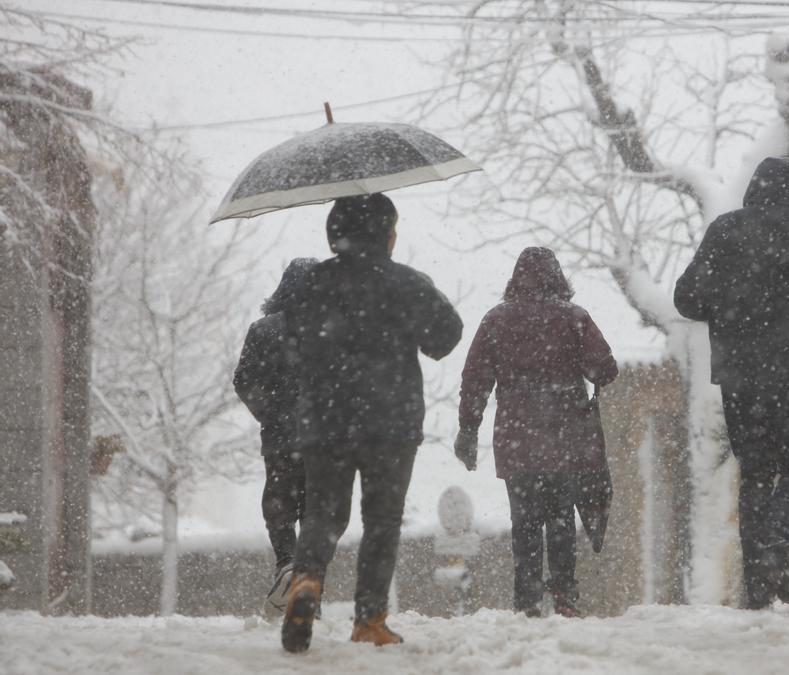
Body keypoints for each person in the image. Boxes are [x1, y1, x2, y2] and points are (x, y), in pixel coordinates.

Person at [275, 194, 463, 653]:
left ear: (334, 233)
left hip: (326, 421)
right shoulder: (405, 283)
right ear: (388, 234)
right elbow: (446, 335)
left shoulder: (312, 283)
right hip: (390, 422)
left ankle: (306, 580)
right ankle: (369, 618)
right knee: (382, 520)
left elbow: (290, 343)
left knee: (323, 513)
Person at [674, 156, 789, 609]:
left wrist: (730, 312)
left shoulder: (725, 232)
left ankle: (758, 581)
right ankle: (777, 551)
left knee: (756, 474)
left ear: (753, 188)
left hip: (742, 379)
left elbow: (687, 298)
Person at [454, 247, 618, 618]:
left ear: (515, 280)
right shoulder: (574, 318)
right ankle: (564, 595)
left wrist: (468, 428)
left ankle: (526, 599)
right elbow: (605, 370)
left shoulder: (496, 321)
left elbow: (475, 379)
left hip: (517, 440)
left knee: (524, 521)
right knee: (561, 515)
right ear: (559, 279)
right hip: (564, 438)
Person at [233, 257, 316, 619]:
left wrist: (268, 413)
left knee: (280, 507)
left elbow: (243, 380)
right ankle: (309, 582)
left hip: (281, 438)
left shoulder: (262, 330)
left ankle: (286, 564)